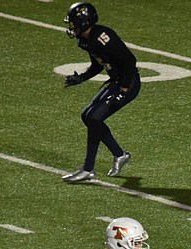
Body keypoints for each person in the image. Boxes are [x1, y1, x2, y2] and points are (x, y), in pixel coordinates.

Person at [60, 2, 140, 184]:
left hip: (128, 82)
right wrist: (81, 78)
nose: (71, 27)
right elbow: (98, 64)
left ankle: (88, 169)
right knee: (87, 116)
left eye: (73, 23)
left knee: (95, 118)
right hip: (117, 81)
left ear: (85, 23)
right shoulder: (86, 40)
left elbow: (130, 61)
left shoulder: (103, 37)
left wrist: (123, 90)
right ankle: (120, 155)